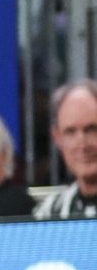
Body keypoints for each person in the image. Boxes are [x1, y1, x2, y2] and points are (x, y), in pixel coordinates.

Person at [35, 80, 97, 219]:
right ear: (57, 138)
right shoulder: (49, 212)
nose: (82, 144)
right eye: (70, 132)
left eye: (92, 129)